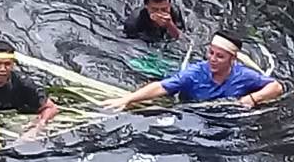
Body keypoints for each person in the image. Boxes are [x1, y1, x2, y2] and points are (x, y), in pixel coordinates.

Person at [103, 31, 283, 110]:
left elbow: (276, 87)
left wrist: (252, 99)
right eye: (211, 53)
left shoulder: (243, 75)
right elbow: (161, 87)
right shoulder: (195, 74)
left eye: (220, 56)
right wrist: (127, 99)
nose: (212, 59)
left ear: (232, 59)